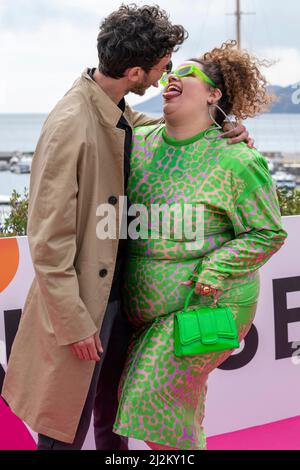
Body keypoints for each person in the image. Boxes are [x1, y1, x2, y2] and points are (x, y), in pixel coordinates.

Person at [1, 3, 253, 451]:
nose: (164, 77)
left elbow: (153, 126)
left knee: (110, 419)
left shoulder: (112, 108)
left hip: (115, 299)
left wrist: (222, 127)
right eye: (162, 67)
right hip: (83, 309)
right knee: (64, 431)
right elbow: (47, 240)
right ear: (136, 71)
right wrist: (75, 323)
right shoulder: (70, 125)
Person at [112, 40, 288, 450]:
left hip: (208, 303)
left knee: (151, 402)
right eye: (170, 74)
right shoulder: (139, 142)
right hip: (147, 314)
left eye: (187, 74)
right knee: (176, 411)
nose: (172, 78)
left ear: (213, 94)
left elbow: (269, 232)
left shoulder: (236, 160)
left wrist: (214, 271)